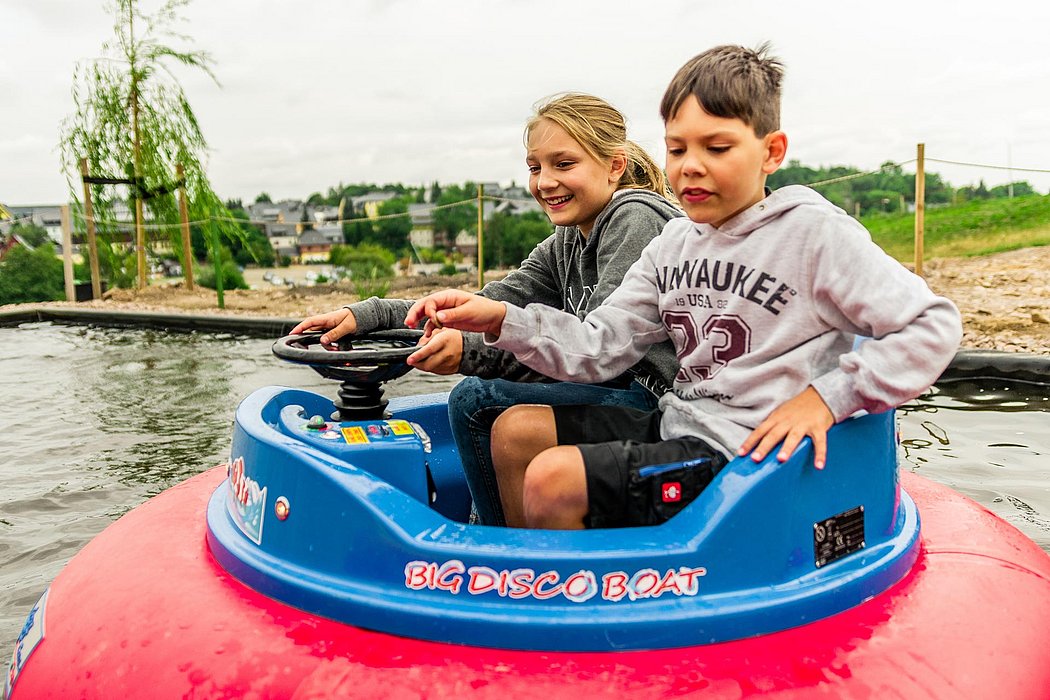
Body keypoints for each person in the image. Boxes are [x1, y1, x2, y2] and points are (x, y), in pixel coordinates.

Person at [404, 43, 963, 530]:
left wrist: (826, 399)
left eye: (715, 148)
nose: (690, 166)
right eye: (677, 149)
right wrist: (504, 322)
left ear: (771, 151)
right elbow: (600, 347)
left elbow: (933, 326)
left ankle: (573, 626)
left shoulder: (815, 235)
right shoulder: (674, 243)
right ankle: (529, 580)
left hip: (752, 452)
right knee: (515, 432)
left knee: (554, 478)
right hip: (685, 420)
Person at [290, 92, 683, 525]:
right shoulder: (568, 240)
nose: (545, 182)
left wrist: (470, 352)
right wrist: (371, 316)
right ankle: (501, 531)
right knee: (477, 397)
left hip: (653, 397)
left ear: (615, 165)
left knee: (476, 400)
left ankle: (496, 547)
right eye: (535, 168)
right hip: (611, 387)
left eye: (563, 164)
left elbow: (604, 355)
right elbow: (485, 303)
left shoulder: (635, 218)